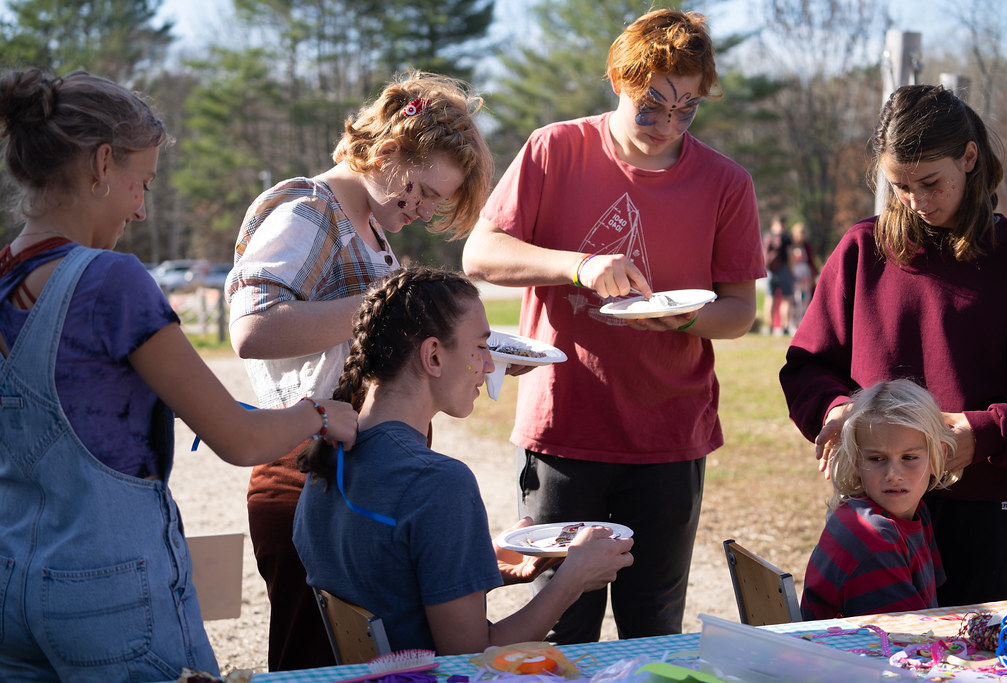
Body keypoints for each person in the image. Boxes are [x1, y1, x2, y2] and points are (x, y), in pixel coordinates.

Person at [0, 68, 357, 681]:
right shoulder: (111, 282)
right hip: (106, 590)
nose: (140, 210)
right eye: (142, 184)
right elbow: (238, 438)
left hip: (10, 584)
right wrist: (321, 413)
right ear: (102, 164)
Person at [461, 9, 763, 644]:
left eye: (687, 110)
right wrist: (579, 265)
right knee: (555, 625)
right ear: (618, 82)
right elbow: (481, 253)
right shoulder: (554, 148)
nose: (667, 125)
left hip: (670, 437)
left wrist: (685, 320)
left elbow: (739, 311)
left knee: (654, 631)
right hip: (566, 429)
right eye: (651, 105)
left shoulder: (728, 182)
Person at [225, 71, 493, 670]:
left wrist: (466, 355)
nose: (422, 209)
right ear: (387, 149)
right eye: (420, 189)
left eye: (435, 200)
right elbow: (252, 329)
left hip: (360, 470)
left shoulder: (370, 224)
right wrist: (387, 306)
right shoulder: (310, 212)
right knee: (316, 665)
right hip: (309, 472)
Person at [292, 266, 634, 654]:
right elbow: (471, 658)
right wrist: (572, 579)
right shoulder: (437, 483)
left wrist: (479, 561)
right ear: (433, 356)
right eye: (482, 347)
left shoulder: (326, 457)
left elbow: (386, 573)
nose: (490, 366)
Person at [780, 84, 1007, 607]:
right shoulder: (862, 249)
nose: (917, 201)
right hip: (879, 516)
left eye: (931, 182)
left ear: (970, 157)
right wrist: (839, 410)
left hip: (990, 517)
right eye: (900, 186)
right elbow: (806, 366)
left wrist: (985, 434)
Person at [801, 380, 960, 620]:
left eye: (909, 457)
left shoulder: (919, 513)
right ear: (856, 461)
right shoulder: (872, 533)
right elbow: (907, 636)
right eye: (877, 459)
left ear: (940, 455)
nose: (893, 475)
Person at [762, 214, 794, 335]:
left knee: (770, 298)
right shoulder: (786, 237)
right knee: (786, 299)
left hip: (769, 270)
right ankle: (783, 326)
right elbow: (790, 255)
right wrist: (792, 270)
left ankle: (768, 326)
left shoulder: (766, 235)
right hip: (783, 270)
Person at [788, 221, 817, 329]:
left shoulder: (807, 247)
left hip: (805, 276)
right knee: (793, 300)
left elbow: (811, 262)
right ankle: (792, 323)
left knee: (804, 300)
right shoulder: (790, 246)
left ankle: (802, 323)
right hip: (794, 276)